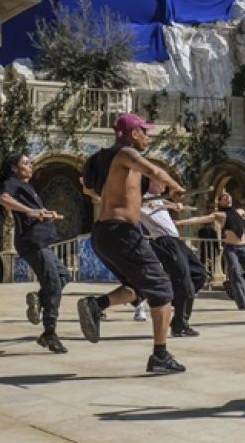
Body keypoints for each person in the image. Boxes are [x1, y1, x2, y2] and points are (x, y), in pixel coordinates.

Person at [76, 114, 188, 373]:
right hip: (120, 233)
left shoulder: (107, 159)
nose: (148, 136)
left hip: (104, 233)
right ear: (133, 133)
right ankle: (160, 355)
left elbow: (95, 190)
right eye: (144, 131)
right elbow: (154, 170)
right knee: (162, 287)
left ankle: (97, 305)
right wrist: (174, 186)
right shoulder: (126, 153)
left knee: (138, 286)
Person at [0, 153, 69, 353]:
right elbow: (4, 199)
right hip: (32, 242)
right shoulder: (12, 183)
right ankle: (49, 333)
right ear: (14, 169)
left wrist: (47, 212)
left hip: (42, 242)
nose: (30, 165)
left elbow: (37, 210)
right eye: (25, 163)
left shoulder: (27, 187)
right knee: (53, 284)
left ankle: (37, 297)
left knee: (62, 276)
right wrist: (29, 211)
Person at [139, 183, 210, 338]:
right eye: (160, 182)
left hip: (177, 241)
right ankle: (180, 325)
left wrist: (173, 205)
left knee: (199, 274)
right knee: (184, 282)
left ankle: (176, 301)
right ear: (151, 182)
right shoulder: (140, 198)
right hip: (165, 242)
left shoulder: (159, 200)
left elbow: (165, 202)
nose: (163, 185)